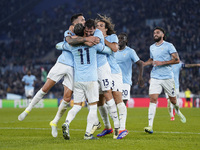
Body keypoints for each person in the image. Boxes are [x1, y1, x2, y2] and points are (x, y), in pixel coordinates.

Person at [18, 13, 98, 138]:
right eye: (82, 20)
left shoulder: (85, 31)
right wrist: (86, 40)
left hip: (74, 68)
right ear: (74, 23)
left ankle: (54, 122)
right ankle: (27, 110)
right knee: (45, 88)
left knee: (67, 98)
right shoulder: (69, 31)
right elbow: (69, 41)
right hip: (62, 63)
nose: (84, 21)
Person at [58, 20, 112, 140]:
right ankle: (88, 134)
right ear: (84, 32)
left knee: (76, 106)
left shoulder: (71, 46)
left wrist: (71, 39)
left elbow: (58, 46)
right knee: (92, 107)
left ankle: (66, 122)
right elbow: (108, 50)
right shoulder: (93, 44)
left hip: (78, 80)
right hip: (91, 79)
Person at [143, 27, 186, 134]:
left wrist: (161, 63)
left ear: (163, 35)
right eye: (154, 33)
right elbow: (152, 59)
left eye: (157, 33)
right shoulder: (151, 47)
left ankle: (178, 111)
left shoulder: (169, 46)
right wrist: (145, 63)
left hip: (167, 77)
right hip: (155, 76)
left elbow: (177, 60)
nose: (155, 34)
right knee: (153, 99)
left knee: (173, 101)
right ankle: (150, 126)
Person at [96, 15, 128, 139]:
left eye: (101, 26)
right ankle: (108, 127)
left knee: (117, 97)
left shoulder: (111, 37)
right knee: (100, 101)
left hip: (113, 72)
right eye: (97, 26)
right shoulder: (94, 39)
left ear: (106, 29)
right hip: (100, 72)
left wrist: (103, 39)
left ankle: (122, 128)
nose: (98, 28)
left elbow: (115, 48)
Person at [115, 33, 144, 105]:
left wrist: (140, 77)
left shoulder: (130, 51)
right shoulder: (113, 50)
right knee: (113, 102)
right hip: (114, 80)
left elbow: (140, 64)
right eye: (118, 38)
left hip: (125, 81)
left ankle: (122, 116)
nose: (119, 40)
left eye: (122, 38)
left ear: (126, 41)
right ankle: (114, 116)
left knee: (123, 102)